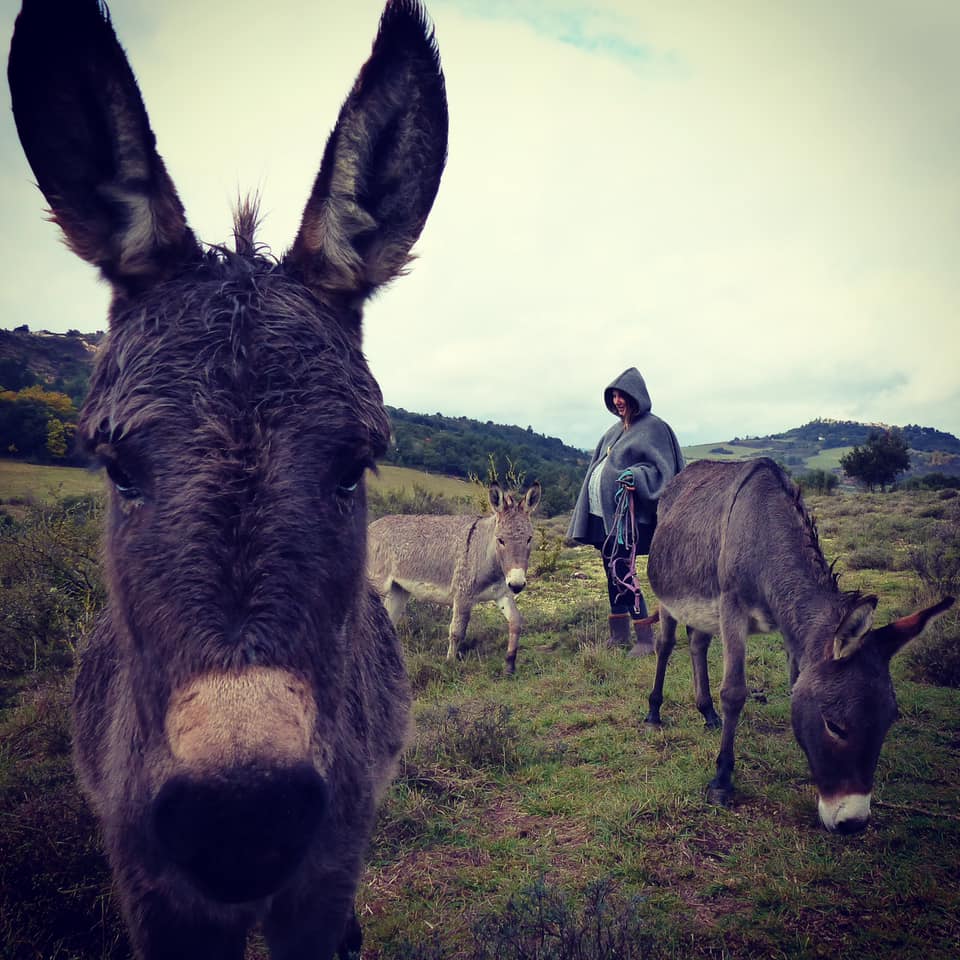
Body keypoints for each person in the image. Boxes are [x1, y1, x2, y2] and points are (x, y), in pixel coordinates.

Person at [567, 368, 684, 655]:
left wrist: (636, 476)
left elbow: (664, 471)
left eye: (623, 396)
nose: (618, 401)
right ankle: (618, 634)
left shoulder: (655, 428)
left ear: (636, 396)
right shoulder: (613, 431)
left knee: (623, 570)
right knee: (611, 570)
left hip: (630, 517)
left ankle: (645, 639)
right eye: (614, 396)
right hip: (603, 515)